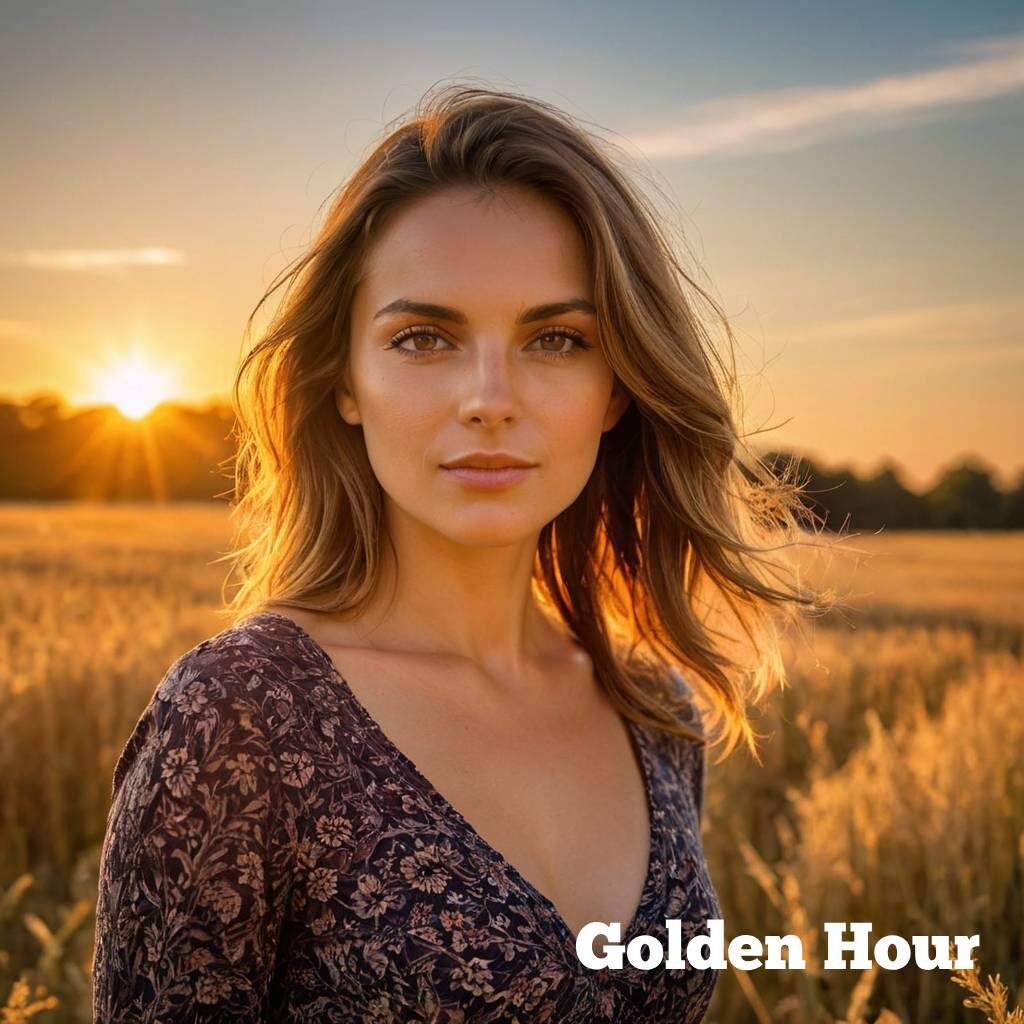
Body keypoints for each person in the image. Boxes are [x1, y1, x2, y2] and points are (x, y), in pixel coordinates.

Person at [92, 83, 828, 1023]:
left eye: (557, 339)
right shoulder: (238, 720)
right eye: (425, 337)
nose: (489, 396)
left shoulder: (655, 713)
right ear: (344, 382)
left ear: (616, 388)